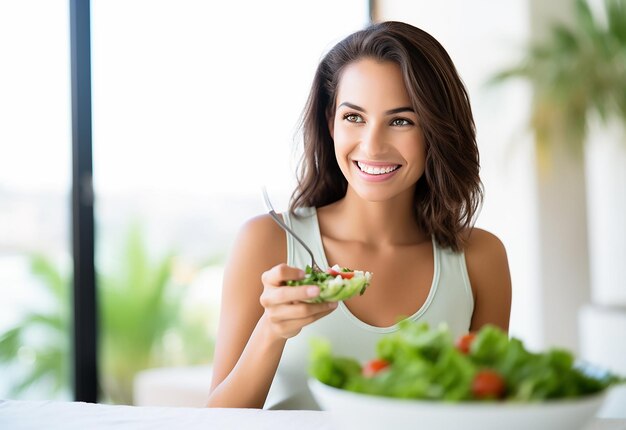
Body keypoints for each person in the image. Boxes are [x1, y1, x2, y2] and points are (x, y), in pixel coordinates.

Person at [207, 20, 511, 410]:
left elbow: (490, 413)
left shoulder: (480, 258)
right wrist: (271, 330)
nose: (372, 145)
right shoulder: (267, 240)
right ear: (330, 122)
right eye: (354, 117)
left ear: (437, 130)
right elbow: (216, 419)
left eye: (401, 120)